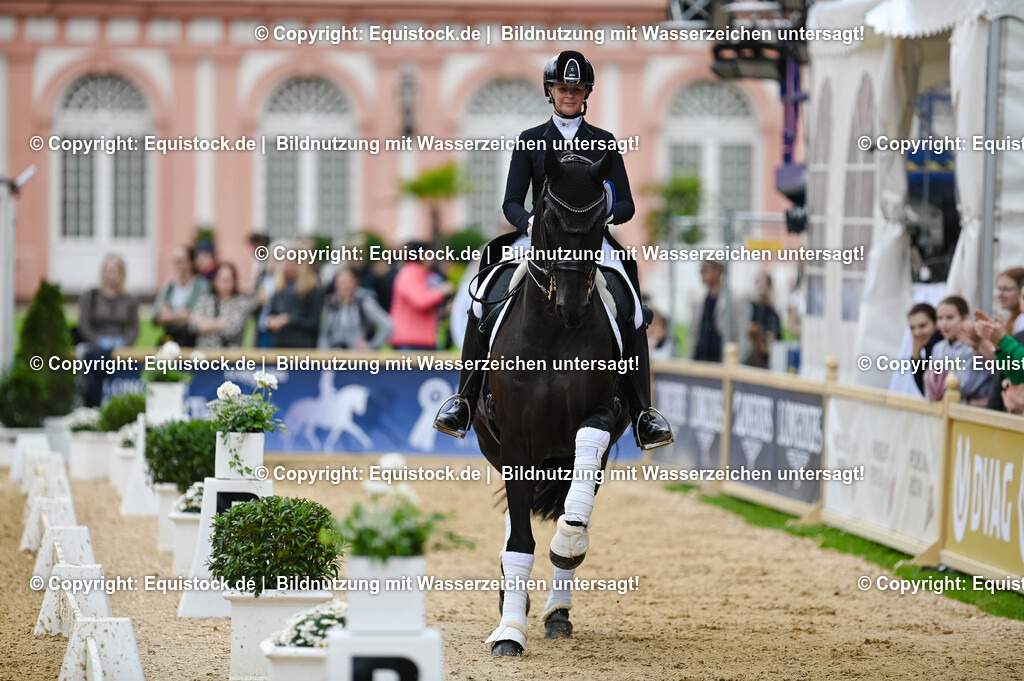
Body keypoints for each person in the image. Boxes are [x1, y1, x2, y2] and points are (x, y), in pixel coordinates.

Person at [434, 50, 673, 450]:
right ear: (551, 91)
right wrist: (528, 224)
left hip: (592, 242)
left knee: (631, 308)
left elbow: (628, 204)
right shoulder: (530, 142)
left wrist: (605, 214)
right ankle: (464, 399)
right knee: (481, 304)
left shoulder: (604, 142)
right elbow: (511, 201)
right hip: (538, 240)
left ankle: (643, 411)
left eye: (577, 89)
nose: (570, 95)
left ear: (586, 94)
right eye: (563, 88)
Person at [77, 254, 139, 406]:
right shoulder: (90, 295)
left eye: (115, 271)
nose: (111, 275)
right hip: (96, 342)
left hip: (119, 342)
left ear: (121, 274)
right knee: (95, 359)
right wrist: (97, 341)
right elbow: (83, 324)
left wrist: (124, 344)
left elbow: (135, 329)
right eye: (108, 270)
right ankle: (93, 403)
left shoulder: (130, 299)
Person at [923, 296, 993, 405]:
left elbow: (963, 385)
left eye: (950, 318)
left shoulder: (973, 347)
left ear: (964, 318)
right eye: (940, 318)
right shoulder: (938, 348)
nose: (944, 323)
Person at [389, 243, 453, 350]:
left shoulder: (423, 274)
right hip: (410, 341)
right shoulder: (408, 275)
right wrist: (441, 291)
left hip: (422, 340)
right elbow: (420, 301)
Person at [318, 266, 394, 350]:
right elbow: (324, 334)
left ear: (355, 282)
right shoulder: (330, 303)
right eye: (342, 282)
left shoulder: (364, 302)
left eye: (348, 282)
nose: (345, 286)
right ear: (336, 284)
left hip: (357, 356)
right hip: (334, 355)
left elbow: (388, 325)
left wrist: (371, 345)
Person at [152, 245, 209, 346]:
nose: (177, 265)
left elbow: (195, 315)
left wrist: (169, 314)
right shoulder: (168, 286)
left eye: (181, 261)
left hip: (193, 340)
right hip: (171, 338)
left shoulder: (201, 285)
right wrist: (182, 314)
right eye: (175, 261)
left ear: (191, 262)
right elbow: (156, 317)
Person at [189, 263, 253, 348]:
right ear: (215, 280)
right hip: (204, 354)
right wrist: (220, 323)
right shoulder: (205, 300)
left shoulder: (241, 302)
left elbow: (233, 329)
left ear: (234, 281)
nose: (224, 283)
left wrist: (204, 323)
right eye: (221, 279)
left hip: (229, 357)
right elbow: (192, 325)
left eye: (227, 280)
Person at [266, 253, 323, 347]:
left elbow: (314, 322)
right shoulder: (279, 291)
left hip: (301, 345)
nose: (289, 266)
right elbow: (271, 313)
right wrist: (272, 321)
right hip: (279, 344)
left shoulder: (311, 291)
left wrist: (290, 319)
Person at [745, 272, 782, 368]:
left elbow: (774, 340)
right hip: (747, 361)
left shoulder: (773, 314)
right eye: (759, 283)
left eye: (764, 284)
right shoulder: (748, 309)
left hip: (765, 364)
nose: (761, 288)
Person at [906, 302, 943, 396]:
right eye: (912, 328)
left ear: (936, 324)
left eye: (922, 326)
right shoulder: (929, 345)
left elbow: (927, 391)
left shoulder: (938, 344)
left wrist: (915, 356)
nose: (917, 332)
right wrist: (915, 355)